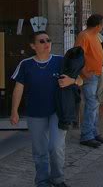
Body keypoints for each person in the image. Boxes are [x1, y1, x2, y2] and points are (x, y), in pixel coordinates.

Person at [11, 31, 82, 187]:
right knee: (40, 150)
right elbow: (18, 88)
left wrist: (71, 81)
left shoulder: (61, 61)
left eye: (48, 40)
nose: (46, 43)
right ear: (33, 46)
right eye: (41, 41)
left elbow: (80, 80)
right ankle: (42, 181)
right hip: (35, 112)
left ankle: (58, 179)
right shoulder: (26, 64)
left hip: (58, 111)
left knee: (56, 147)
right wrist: (14, 111)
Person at [75, 13, 103, 148]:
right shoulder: (84, 36)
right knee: (91, 104)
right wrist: (84, 72)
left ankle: (93, 132)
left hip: (97, 74)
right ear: (98, 25)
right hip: (90, 75)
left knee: (95, 104)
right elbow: (77, 55)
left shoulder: (94, 36)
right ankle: (87, 135)